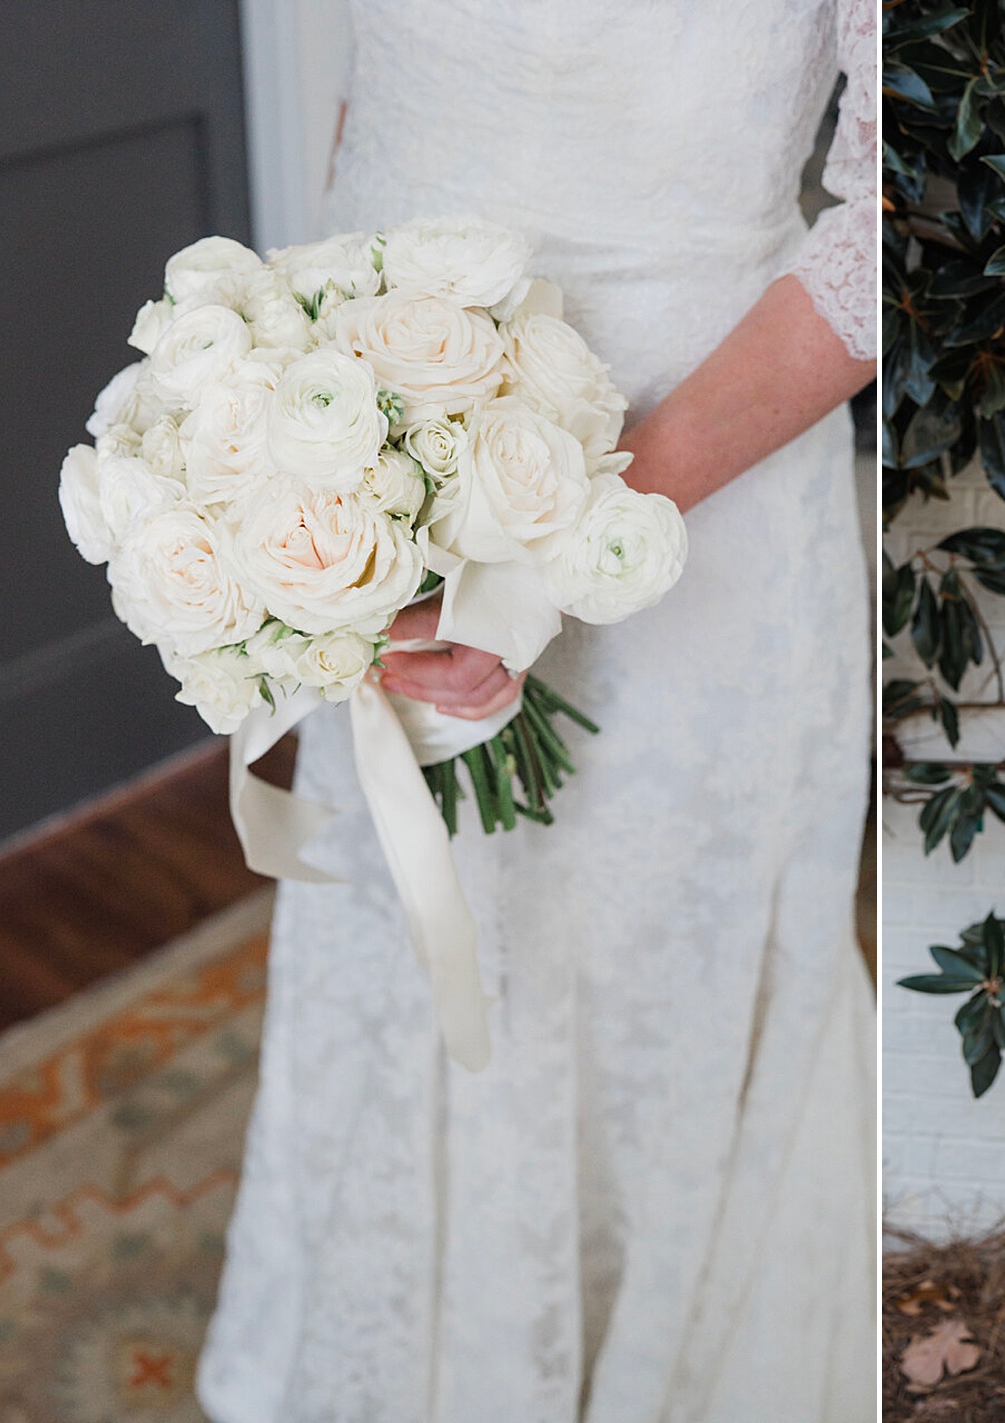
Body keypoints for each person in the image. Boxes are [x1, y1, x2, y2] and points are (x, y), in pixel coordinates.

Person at [194, 3, 878, 1420]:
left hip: (692, 502)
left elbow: (898, 229)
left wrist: (551, 536)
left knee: (632, 986)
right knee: (410, 933)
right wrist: (305, 453)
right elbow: (382, 110)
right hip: (381, 468)